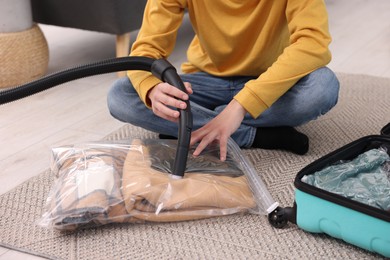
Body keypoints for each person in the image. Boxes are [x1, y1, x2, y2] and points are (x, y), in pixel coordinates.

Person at [107, 0, 340, 161]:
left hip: (270, 81)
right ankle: (254, 136)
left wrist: (240, 106)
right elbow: (146, 49)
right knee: (121, 94)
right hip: (207, 80)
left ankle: (191, 125)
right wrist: (153, 88)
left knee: (323, 86)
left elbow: (312, 44)